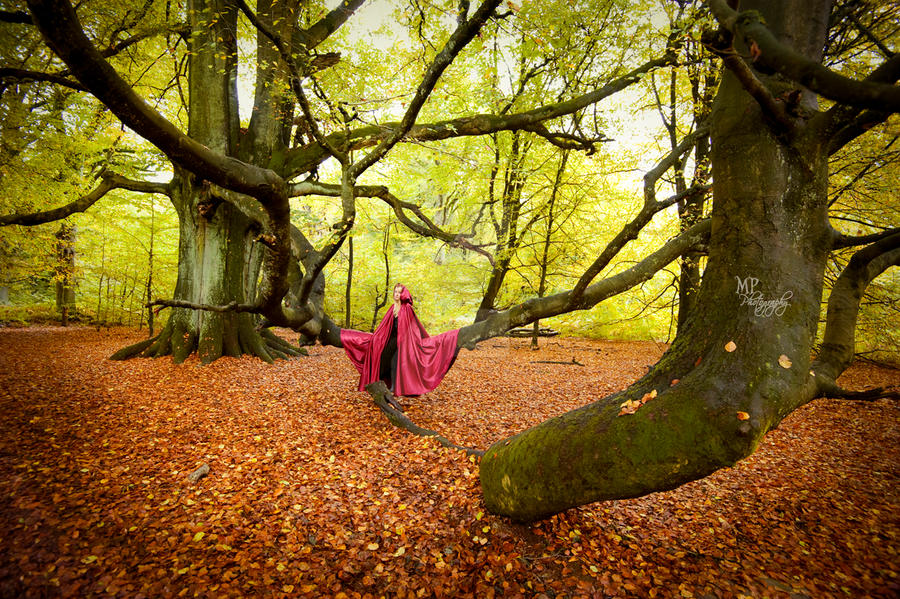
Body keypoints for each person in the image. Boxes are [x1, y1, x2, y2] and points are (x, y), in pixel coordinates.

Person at [341, 283, 459, 396]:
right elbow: (385, 327)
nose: (397, 294)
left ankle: (395, 387)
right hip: (392, 339)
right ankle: (379, 382)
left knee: (395, 360)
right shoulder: (393, 308)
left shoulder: (407, 308)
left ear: (403, 294)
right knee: (381, 355)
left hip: (404, 341)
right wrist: (378, 338)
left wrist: (407, 342)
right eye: (395, 292)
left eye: (399, 292)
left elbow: (413, 328)